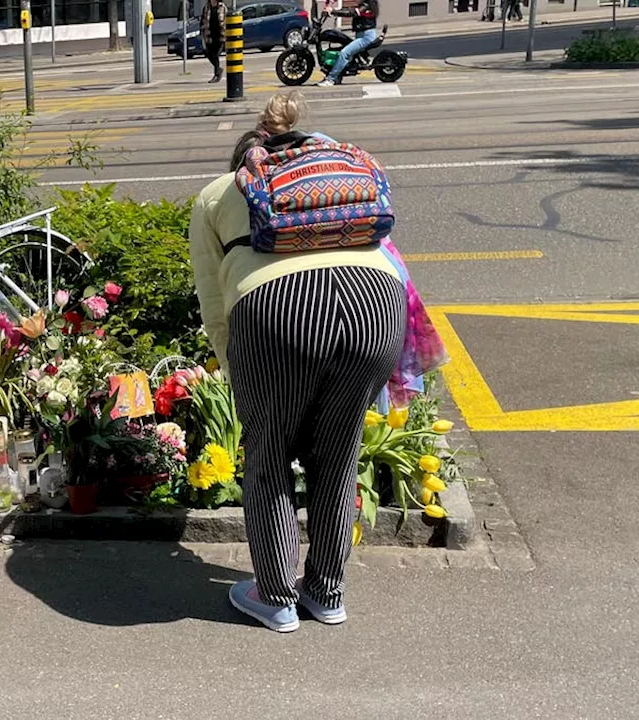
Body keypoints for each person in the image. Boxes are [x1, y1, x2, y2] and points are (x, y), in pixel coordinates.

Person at [188, 91, 408, 633]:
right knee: (338, 453)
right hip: (378, 304)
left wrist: (239, 375)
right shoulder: (341, 180)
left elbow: (215, 308)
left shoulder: (217, 195)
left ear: (245, 161)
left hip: (276, 311)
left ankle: (275, 595)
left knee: (270, 452)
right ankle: (327, 592)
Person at [317, 0, 379, 86]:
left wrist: (333, 11)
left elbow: (352, 12)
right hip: (361, 35)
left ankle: (331, 79)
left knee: (344, 53)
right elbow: (348, 9)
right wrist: (332, 6)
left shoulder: (367, 4)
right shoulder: (366, 4)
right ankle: (338, 75)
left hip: (366, 37)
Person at [200, 0, 226, 84]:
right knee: (208, 53)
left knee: (215, 55)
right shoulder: (206, 7)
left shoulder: (222, 7)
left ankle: (217, 75)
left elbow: (226, 20)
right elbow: (203, 20)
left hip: (220, 35)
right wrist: (202, 30)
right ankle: (218, 69)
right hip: (210, 35)